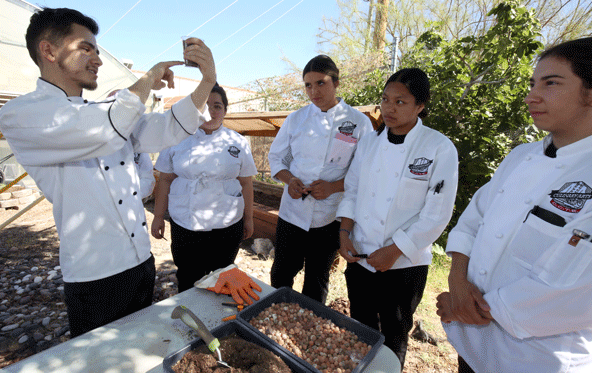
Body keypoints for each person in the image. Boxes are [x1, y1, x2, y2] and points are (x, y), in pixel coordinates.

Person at [0, 7, 217, 337]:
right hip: (95, 275)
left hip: (140, 262)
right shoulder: (23, 114)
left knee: (139, 352)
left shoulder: (104, 112)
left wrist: (207, 81)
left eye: (98, 51)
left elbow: (169, 129)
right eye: (85, 48)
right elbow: (102, 131)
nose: (98, 59)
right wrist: (143, 83)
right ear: (49, 50)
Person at [436, 36, 592, 372]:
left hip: (534, 360)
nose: (531, 96)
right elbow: (474, 219)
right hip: (472, 345)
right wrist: (456, 281)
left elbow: (578, 290)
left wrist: (462, 307)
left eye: (551, 83)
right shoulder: (521, 155)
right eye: (532, 83)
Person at [336, 68, 459, 369]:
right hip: (362, 253)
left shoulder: (438, 148)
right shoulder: (369, 142)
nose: (389, 108)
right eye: (385, 100)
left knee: (394, 332)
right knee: (361, 324)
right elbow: (352, 189)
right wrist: (344, 231)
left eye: (400, 102)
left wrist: (395, 250)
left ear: (420, 105)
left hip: (405, 262)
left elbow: (437, 212)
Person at [268, 55, 373, 303]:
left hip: (330, 216)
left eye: (320, 83)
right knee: (282, 272)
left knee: (317, 278)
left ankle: (309, 327)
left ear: (336, 83)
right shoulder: (296, 119)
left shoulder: (358, 123)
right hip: (292, 212)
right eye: (307, 85)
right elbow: (276, 158)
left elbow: (366, 172)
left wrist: (334, 187)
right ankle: (275, 316)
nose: (313, 91)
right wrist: (290, 180)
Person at [151, 84, 257, 293]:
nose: (210, 111)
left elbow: (246, 183)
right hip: (186, 223)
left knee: (224, 277)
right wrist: (157, 216)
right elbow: (165, 180)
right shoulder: (177, 138)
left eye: (216, 106)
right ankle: (190, 321)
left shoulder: (238, 142)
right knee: (189, 278)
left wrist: (249, 218)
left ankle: (218, 323)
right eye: (204, 106)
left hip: (227, 225)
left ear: (225, 111)